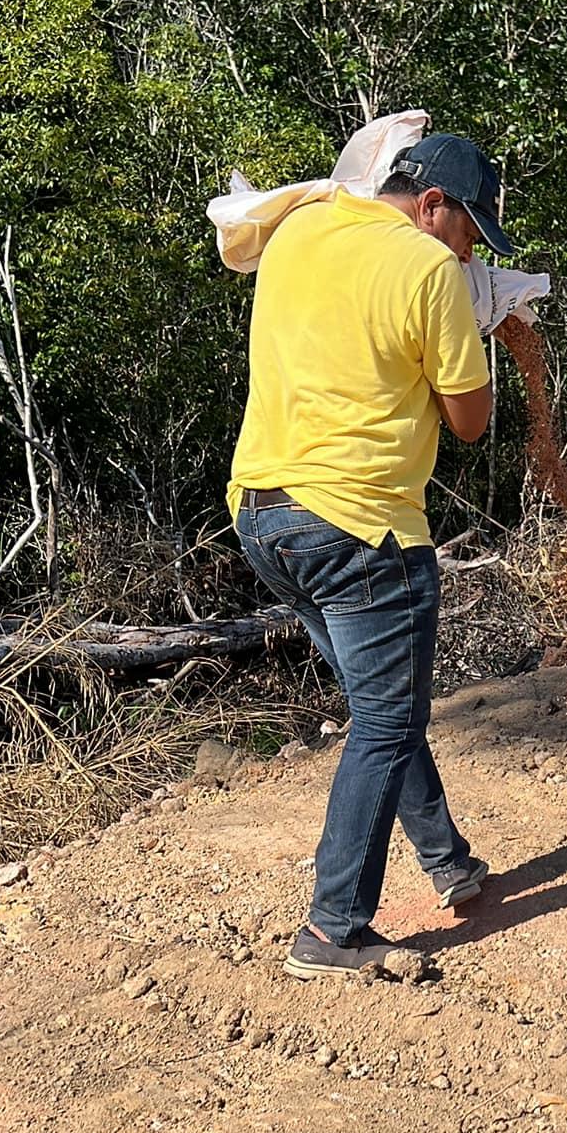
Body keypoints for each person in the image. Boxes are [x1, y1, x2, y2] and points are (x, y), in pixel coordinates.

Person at [229, 133, 512, 980]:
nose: (470, 250)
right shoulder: (429, 273)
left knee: (378, 702)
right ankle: (333, 930)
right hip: (361, 529)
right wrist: (476, 315)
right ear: (432, 205)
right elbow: (469, 420)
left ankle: (448, 862)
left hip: (263, 515)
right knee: (389, 720)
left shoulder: (303, 229)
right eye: (470, 232)